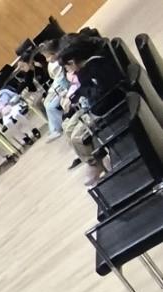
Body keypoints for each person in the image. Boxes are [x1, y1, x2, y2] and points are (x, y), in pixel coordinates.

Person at [58, 32, 123, 184]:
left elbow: (99, 96)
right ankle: (95, 160)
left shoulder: (93, 67)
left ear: (72, 61)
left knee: (77, 137)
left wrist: (83, 95)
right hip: (99, 104)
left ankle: (96, 163)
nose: (68, 71)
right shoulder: (89, 65)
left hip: (107, 106)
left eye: (67, 67)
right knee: (68, 128)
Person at [0, 83, 40, 147]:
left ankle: (33, 129)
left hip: (13, 106)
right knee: (7, 123)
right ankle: (25, 138)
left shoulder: (3, 92)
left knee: (16, 115)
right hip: (5, 114)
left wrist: (11, 102)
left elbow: (16, 96)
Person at [39, 39, 71, 141]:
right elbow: (54, 78)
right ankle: (55, 128)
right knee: (46, 103)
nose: (47, 59)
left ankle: (58, 128)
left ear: (55, 53)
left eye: (48, 56)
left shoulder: (60, 63)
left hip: (65, 87)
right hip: (58, 87)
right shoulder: (51, 65)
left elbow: (62, 80)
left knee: (50, 106)